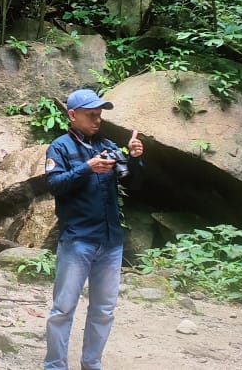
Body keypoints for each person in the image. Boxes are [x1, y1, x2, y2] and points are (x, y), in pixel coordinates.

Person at [43, 88, 145, 370]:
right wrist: (87, 168)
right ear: (72, 115)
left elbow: (133, 184)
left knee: (104, 310)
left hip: (110, 241)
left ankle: (91, 364)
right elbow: (54, 185)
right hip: (77, 240)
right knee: (63, 309)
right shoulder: (59, 147)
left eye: (99, 115)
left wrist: (134, 158)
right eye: (91, 115)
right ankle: (55, 366)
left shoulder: (108, 145)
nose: (97, 120)